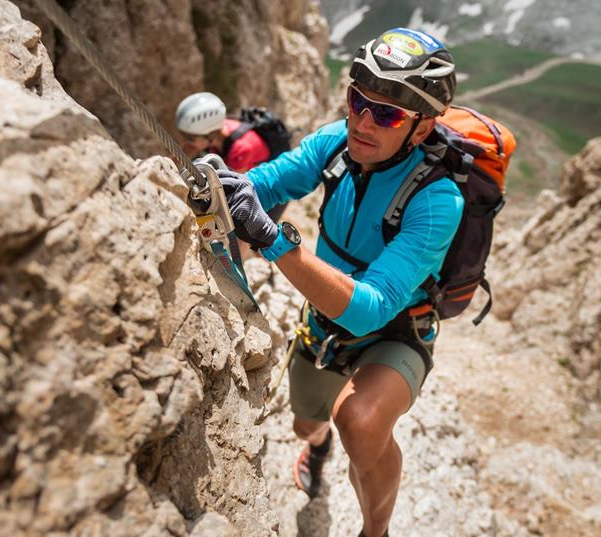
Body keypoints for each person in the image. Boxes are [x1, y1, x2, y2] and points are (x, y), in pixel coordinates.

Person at [207, 28, 461, 537]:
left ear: (421, 127)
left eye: (386, 113)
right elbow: (271, 180)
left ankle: (376, 531)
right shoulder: (335, 145)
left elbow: (372, 307)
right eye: (357, 100)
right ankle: (317, 445)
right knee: (307, 423)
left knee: (362, 423)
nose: (363, 121)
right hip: (324, 321)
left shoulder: (438, 200)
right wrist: (219, 184)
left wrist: (275, 242)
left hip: (396, 330)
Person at [176, 92, 289, 221]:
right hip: (253, 178)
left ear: (209, 135)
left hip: (272, 191)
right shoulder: (220, 132)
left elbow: (232, 192)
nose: (187, 142)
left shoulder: (241, 149)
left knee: (250, 235)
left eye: (190, 137)